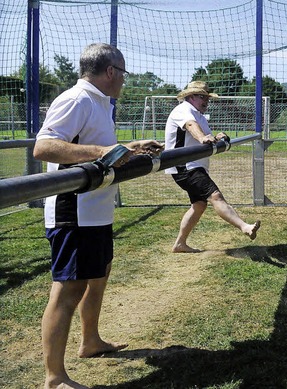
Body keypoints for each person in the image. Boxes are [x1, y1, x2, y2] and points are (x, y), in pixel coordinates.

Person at [33, 43, 164, 389]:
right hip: (72, 211)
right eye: (123, 73)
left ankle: (90, 341)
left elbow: (98, 149)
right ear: (110, 72)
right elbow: (44, 146)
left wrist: (130, 148)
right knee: (67, 289)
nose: (124, 80)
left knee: (99, 273)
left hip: (95, 210)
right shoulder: (77, 99)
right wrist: (102, 151)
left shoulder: (99, 103)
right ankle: (54, 378)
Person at [165, 81, 260, 253]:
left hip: (194, 166)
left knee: (199, 205)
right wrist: (203, 138)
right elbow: (191, 126)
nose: (206, 101)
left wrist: (216, 137)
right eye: (202, 97)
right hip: (185, 166)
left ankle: (180, 244)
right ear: (190, 96)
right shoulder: (183, 110)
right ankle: (245, 227)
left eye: (207, 97)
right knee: (215, 196)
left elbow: (203, 135)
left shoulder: (198, 114)